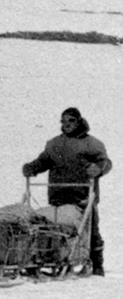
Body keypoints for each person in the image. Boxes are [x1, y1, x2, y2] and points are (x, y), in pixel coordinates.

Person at [22, 107, 112, 275]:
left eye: (70, 121)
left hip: (83, 196)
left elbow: (105, 162)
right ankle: (49, 258)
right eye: (63, 121)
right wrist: (31, 168)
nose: (66, 124)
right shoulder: (54, 144)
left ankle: (97, 264)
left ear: (78, 121)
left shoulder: (92, 144)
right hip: (58, 195)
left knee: (90, 230)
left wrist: (98, 168)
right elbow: (43, 161)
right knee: (51, 228)